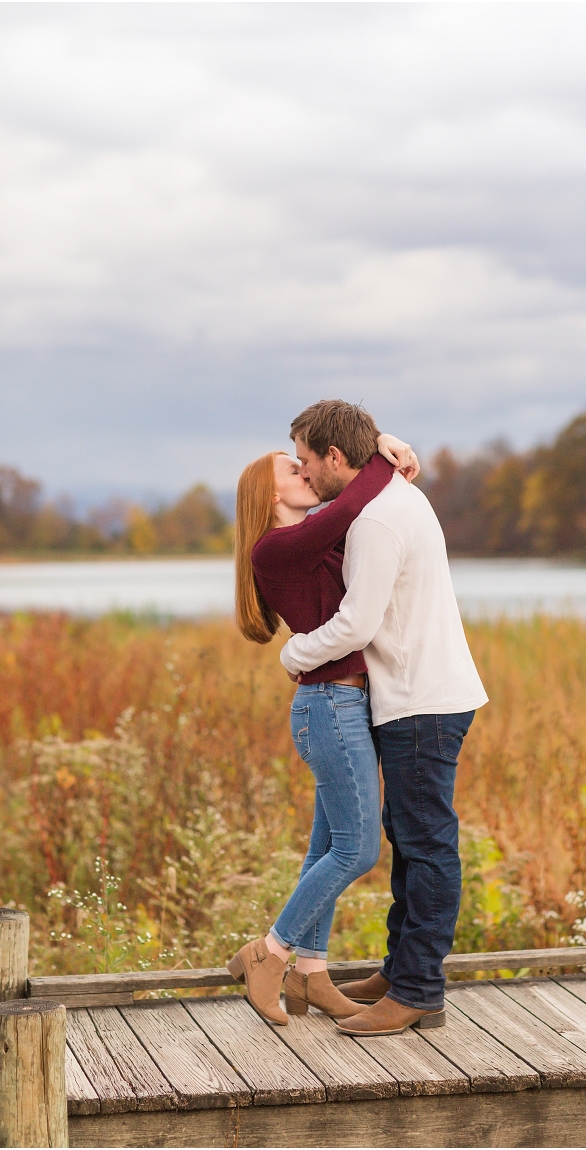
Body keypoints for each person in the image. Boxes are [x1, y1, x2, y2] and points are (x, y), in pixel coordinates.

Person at [280, 399, 488, 1036]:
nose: (305, 474)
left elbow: (356, 625)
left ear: (337, 457)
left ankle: (420, 991)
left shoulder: (375, 518)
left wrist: (295, 652)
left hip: (421, 701)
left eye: (309, 461)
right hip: (420, 695)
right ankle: (402, 972)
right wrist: (388, 443)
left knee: (426, 844)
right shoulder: (391, 493)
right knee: (410, 835)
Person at [228, 411, 419, 1026]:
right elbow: (351, 501)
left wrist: (380, 446)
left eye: (306, 459)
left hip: (345, 705)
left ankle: (310, 974)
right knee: (359, 849)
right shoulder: (276, 548)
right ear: (270, 492)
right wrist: (382, 454)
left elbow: (359, 518)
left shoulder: (313, 540)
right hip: (329, 706)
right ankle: (270, 952)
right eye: (293, 467)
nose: (305, 469)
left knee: (325, 849)